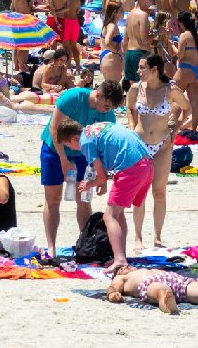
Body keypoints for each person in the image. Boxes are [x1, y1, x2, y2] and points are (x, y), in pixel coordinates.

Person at [38, 81, 122, 256]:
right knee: (53, 199)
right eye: (106, 106)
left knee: (84, 199)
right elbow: (55, 128)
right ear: (98, 95)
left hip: (84, 155)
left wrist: (103, 176)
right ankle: (51, 246)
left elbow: (102, 147)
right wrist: (63, 159)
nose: (107, 111)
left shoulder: (109, 116)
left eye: (111, 108)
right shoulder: (73, 97)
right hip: (54, 149)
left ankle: (85, 243)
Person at [59, 119, 153, 273]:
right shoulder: (95, 128)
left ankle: (120, 260)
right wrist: (100, 181)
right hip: (147, 165)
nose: (74, 149)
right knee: (118, 214)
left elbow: (101, 177)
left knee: (109, 217)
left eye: (69, 145)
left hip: (130, 168)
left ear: (74, 138)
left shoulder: (85, 142)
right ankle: (120, 255)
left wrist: (89, 184)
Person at [127, 53, 189, 251]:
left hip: (163, 145)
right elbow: (129, 109)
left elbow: (188, 109)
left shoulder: (170, 90)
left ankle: (157, 236)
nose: (138, 71)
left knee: (159, 192)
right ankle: (138, 237)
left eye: (142, 67)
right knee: (139, 193)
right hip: (140, 145)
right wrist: (131, 129)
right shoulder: (136, 89)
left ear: (154, 70)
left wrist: (175, 131)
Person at [122, 0, 154, 89]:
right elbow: (144, 40)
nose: (152, 2)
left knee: (133, 88)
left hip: (129, 53)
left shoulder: (130, 14)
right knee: (144, 88)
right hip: (140, 54)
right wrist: (156, 34)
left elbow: (125, 40)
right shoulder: (143, 15)